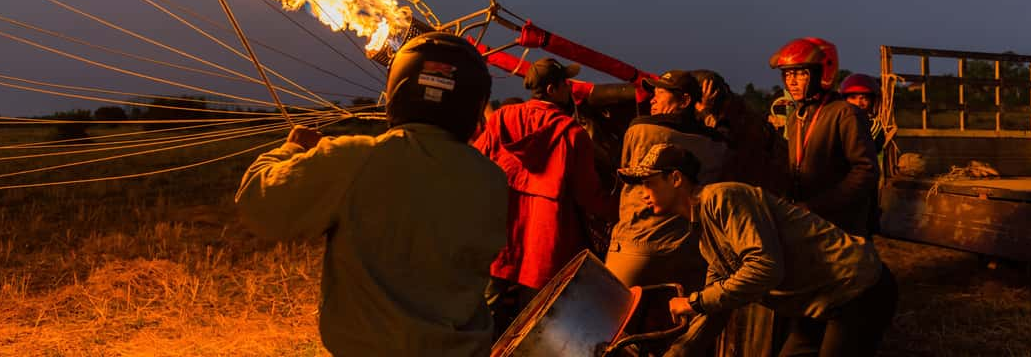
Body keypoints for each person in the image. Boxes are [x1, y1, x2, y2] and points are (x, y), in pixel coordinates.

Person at [235, 32, 508, 357]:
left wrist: (291, 149)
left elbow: (259, 205)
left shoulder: (354, 159)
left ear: (396, 91)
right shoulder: (492, 180)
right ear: (474, 105)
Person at [618, 145, 896, 357]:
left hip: (856, 288)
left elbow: (765, 269)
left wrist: (694, 302)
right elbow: (717, 304)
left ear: (676, 178)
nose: (642, 194)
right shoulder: (704, 231)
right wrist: (678, 352)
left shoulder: (723, 198)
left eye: (648, 183)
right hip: (820, 300)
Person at [473, 57, 615, 332]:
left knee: (484, 312)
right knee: (531, 323)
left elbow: (475, 161)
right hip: (545, 243)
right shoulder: (573, 135)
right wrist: (620, 208)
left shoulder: (502, 118)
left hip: (501, 234)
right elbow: (589, 196)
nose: (570, 89)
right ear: (552, 89)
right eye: (566, 84)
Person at [605, 70, 731, 291]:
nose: (652, 99)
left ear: (684, 100)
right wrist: (705, 111)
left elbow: (624, 169)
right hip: (689, 251)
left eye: (660, 94)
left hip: (637, 245)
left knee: (609, 317)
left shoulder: (641, 129)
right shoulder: (716, 144)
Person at [769, 38, 879, 237]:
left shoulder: (845, 113)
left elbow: (865, 171)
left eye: (800, 73)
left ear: (822, 73)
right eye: (787, 74)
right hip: (805, 223)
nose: (791, 81)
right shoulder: (796, 117)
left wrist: (817, 206)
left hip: (841, 227)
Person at [838, 73, 885, 152]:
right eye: (853, 98)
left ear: (872, 101)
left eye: (864, 98)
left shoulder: (874, 125)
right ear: (845, 100)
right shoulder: (839, 121)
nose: (858, 103)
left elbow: (861, 149)